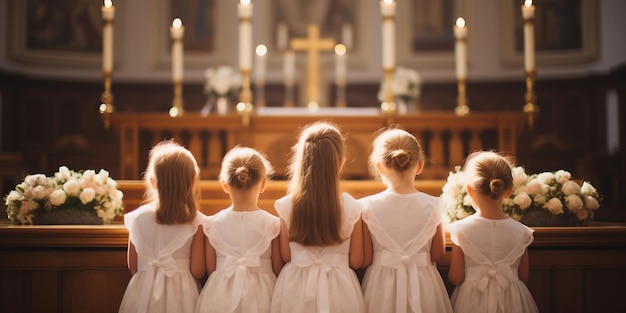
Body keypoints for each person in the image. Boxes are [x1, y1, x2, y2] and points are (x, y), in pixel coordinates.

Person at [270, 121, 364, 313]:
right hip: (340, 288)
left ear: (302, 161)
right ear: (340, 163)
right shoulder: (353, 207)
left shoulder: (286, 205)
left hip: (295, 288)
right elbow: (356, 260)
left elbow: (286, 256)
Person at [359, 128, 453, 313]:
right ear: (420, 165)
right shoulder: (433, 204)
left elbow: (367, 257)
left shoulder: (366, 206)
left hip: (381, 287)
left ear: (379, 167)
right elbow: (436, 255)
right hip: (424, 285)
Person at [119, 140, 206, 313]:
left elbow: (134, 266)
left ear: (152, 182)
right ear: (192, 182)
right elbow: (197, 270)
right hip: (181, 296)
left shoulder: (137, 218)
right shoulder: (197, 222)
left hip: (142, 291)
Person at [447, 151, 539, 313]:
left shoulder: (461, 230)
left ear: (470, 190)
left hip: (472, 302)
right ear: (508, 190)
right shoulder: (521, 232)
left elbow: (457, 276)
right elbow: (523, 275)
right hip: (513, 301)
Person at [195, 146, 282, 313]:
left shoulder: (210, 224)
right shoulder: (273, 224)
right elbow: (277, 268)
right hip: (264, 297)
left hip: (220, 297)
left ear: (224, 185)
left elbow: (212, 269)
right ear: (263, 184)